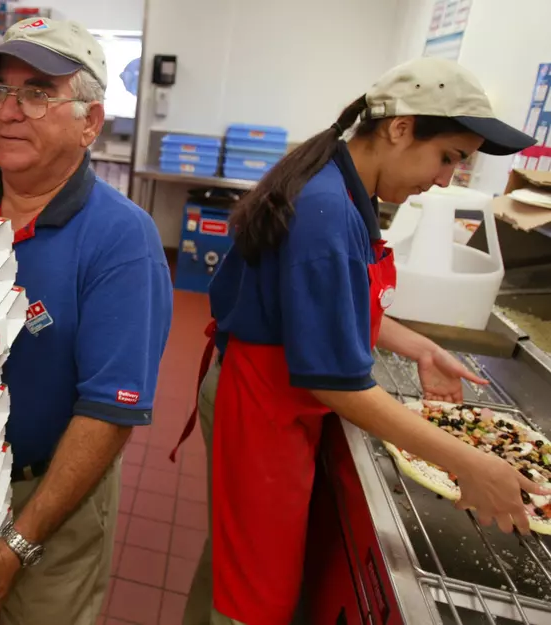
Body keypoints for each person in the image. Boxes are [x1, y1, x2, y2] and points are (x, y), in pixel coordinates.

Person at [174, 57, 541, 625]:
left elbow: (322, 303)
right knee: (257, 591)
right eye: (448, 157)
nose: (445, 179)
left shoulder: (340, 186)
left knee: (236, 560)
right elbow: (337, 384)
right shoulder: (324, 212)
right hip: (262, 411)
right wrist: (470, 463)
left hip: (264, 393)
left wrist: (418, 346)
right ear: (400, 129)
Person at [0, 17, 174, 625]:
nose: (9, 111)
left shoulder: (122, 241)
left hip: (44, 498)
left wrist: (18, 545)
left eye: (38, 92)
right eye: (1, 91)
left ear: (89, 123)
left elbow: (110, 411)